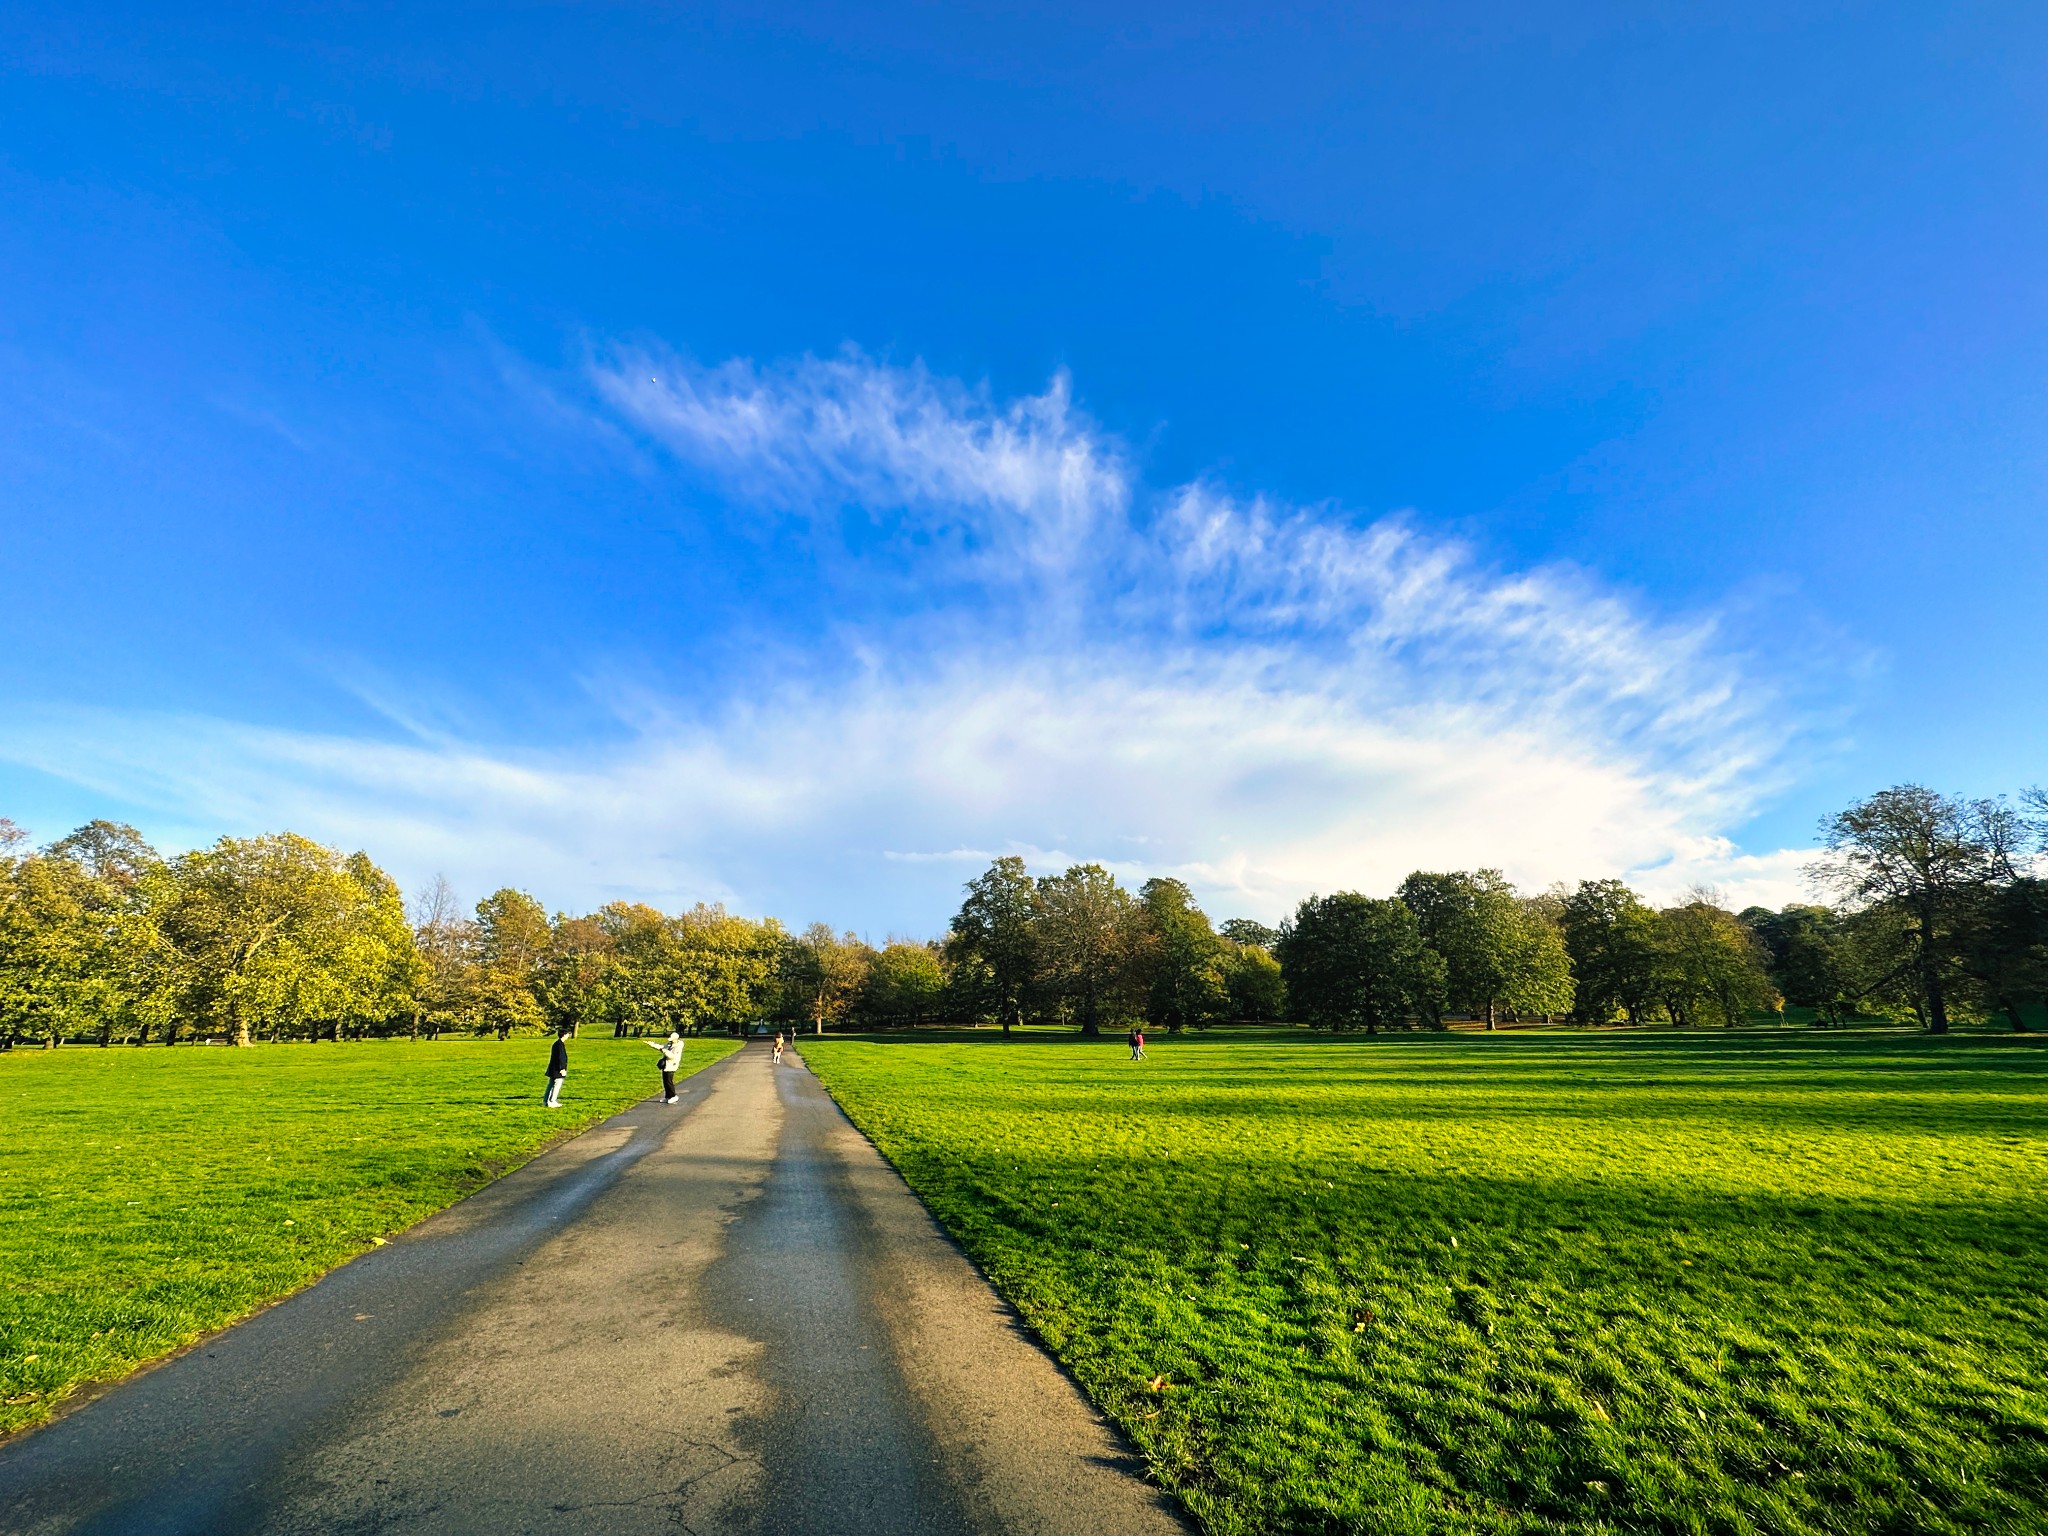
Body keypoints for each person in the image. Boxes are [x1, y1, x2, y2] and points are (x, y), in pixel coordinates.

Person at [646, 1030, 684, 1103]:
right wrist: (652, 1044)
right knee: (665, 1082)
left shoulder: (678, 1047)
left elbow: (672, 1056)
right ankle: (667, 1096)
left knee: (669, 1081)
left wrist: (664, 1051)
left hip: (672, 1065)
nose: (670, 1041)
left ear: (676, 1039)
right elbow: (662, 1047)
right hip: (666, 1064)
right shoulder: (670, 1044)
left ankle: (673, 1096)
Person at [543, 1026, 571, 1107]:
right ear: (564, 1035)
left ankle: (546, 1101)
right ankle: (552, 1101)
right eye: (567, 1034)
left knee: (551, 1084)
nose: (568, 1036)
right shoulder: (560, 1045)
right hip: (557, 1069)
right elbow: (561, 1058)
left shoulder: (556, 1043)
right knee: (556, 1085)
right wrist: (562, 1068)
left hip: (553, 1068)